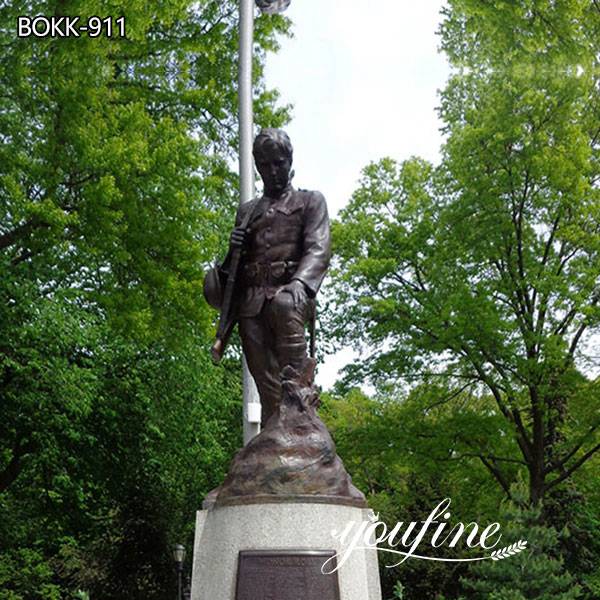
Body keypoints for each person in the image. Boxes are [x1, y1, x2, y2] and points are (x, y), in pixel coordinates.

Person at [211, 128, 331, 427]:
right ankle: (273, 439)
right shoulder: (248, 212)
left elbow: (319, 248)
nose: (272, 170)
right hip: (251, 303)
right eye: (265, 165)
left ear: (289, 161)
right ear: (258, 166)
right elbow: (233, 271)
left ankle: (303, 430)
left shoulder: (310, 201)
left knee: (295, 381)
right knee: (267, 387)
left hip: (289, 299)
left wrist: (299, 284)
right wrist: (233, 250)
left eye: (278, 162)